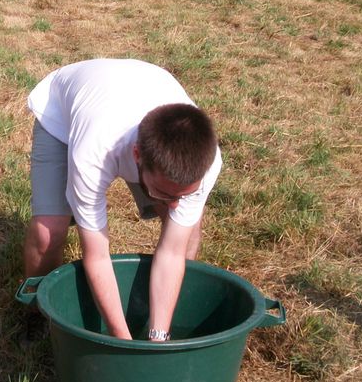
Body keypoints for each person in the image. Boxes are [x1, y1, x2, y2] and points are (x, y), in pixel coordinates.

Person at [22, 59, 222, 342]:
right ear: (137, 156)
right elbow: (97, 254)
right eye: (165, 194)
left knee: (185, 234)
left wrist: (158, 337)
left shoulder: (208, 163)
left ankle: (163, 318)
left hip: (143, 85)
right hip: (64, 114)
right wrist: (122, 341)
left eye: (184, 194)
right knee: (48, 233)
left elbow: (173, 253)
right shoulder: (94, 150)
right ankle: (36, 311)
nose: (174, 204)